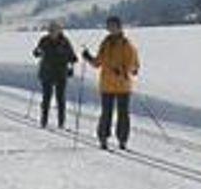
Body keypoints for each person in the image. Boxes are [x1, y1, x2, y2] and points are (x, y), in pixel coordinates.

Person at [82, 14, 140, 150]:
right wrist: (88, 57)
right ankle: (103, 138)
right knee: (106, 113)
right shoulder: (105, 43)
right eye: (109, 26)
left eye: (114, 26)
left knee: (123, 115)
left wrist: (123, 70)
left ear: (120, 27)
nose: (111, 29)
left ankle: (122, 140)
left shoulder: (127, 44)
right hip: (106, 85)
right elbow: (98, 63)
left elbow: (134, 64)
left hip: (122, 86)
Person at [32, 21, 77, 128]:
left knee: (60, 99)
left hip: (61, 73)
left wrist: (72, 61)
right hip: (47, 73)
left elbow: (71, 55)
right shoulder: (44, 40)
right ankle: (44, 121)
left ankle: (61, 123)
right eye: (51, 30)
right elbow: (36, 52)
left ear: (60, 30)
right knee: (46, 98)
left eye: (55, 30)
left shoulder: (65, 41)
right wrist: (37, 52)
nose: (52, 32)